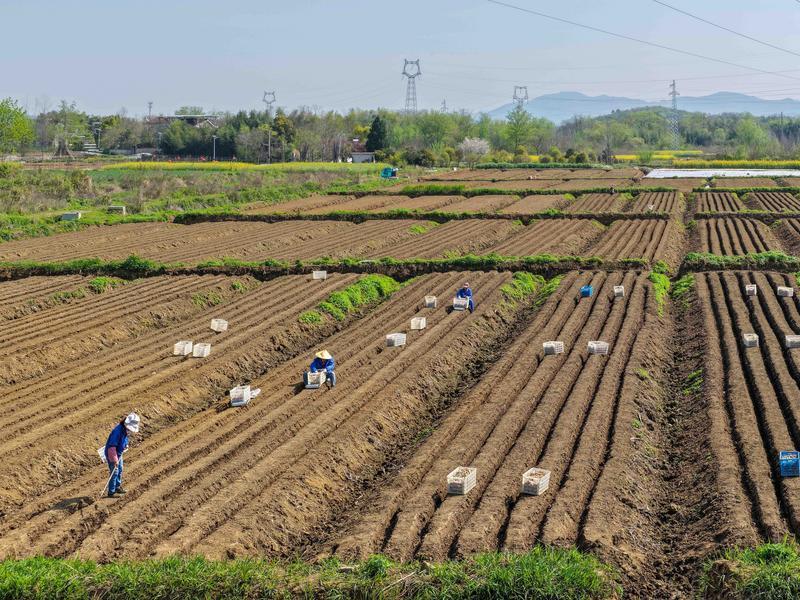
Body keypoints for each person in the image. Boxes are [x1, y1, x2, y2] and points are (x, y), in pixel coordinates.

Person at [104, 412, 140, 498]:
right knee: (115, 472)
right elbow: (112, 447)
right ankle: (111, 492)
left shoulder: (124, 430)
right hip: (112, 453)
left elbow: (124, 439)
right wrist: (115, 460)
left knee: (120, 469)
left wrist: (125, 445)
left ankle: (117, 487)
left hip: (118, 453)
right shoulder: (117, 431)